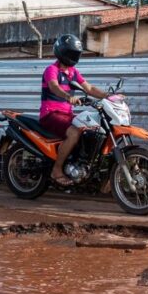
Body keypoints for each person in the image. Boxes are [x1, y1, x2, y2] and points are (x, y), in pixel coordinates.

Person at [39, 34, 108, 186]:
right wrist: (67, 96)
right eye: (71, 53)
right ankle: (56, 170)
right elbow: (54, 87)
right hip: (50, 114)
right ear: (62, 52)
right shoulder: (52, 69)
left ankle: (77, 165)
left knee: (90, 129)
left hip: (66, 115)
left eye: (75, 54)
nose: (73, 57)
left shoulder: (73, 72)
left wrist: (108, 96)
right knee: (74, 132)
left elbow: (89, 88)